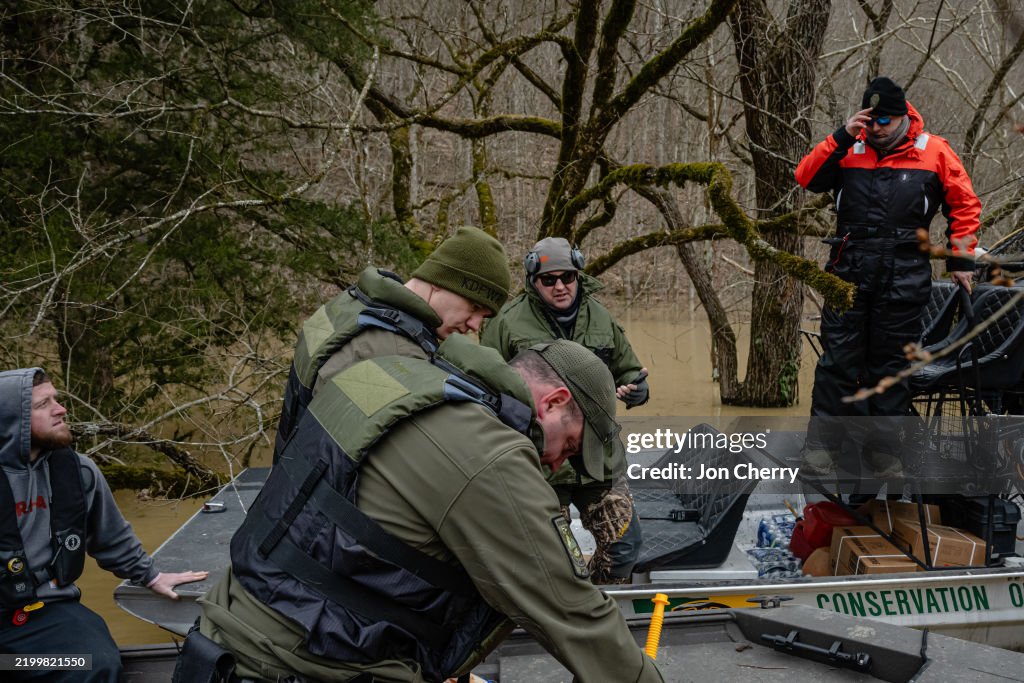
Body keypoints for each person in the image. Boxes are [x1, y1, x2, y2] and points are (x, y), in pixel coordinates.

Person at [195, 338, 663, 682]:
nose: (559, 464)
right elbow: (572, 612)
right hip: (301, 665)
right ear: (555, 402)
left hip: (225, 631)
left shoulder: (390, 373)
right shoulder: (488, 455)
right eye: (571, 446)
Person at [795, 76, 982, 476]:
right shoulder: (849, 147)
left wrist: (961, 260)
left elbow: (964, 205)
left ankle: (884, 453)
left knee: (892, 365)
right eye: (871, 120)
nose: (877, 128)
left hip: (904, 274)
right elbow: (806, 178)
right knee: (837, 362)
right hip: (848, 272)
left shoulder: (934, 151)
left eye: (885, 120)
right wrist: (842, 135)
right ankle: (822, 447)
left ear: (903, 117)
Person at [0, 368, 207, 682]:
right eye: (43, 404)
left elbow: (110, 536)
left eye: (56, 399)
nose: (61, 409)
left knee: (92, 663)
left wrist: (150, 575)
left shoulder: (78, 472)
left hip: (43, 611)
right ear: (11, 421)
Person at [481, 237, 646, 583]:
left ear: (578, 275)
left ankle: (601, 602)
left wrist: (637, 389)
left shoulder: (599, 316)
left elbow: (629, 370)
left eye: (567, 277)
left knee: (624, 548)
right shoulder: (507, 322)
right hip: (541, 464)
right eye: (549, 279)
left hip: (598, 457)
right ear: (533, 281)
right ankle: (567, 605)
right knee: (554, 558)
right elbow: (486, 390)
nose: (560, 286)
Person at [274, 225, 512, 463]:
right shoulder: (394, 355)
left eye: (484, 316)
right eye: (473, 307)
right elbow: (370, 458)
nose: (475, 325)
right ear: (440, 281)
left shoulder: (350, 305)